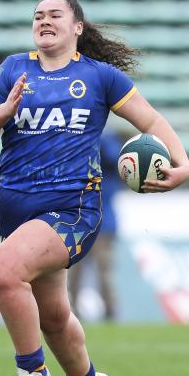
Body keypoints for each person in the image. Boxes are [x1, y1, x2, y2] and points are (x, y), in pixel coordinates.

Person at [0, 0, 189, 376]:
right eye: (37, 15)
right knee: (53, 318)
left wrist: (183, 164)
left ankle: (32, 373)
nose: (44, 21)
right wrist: (3, 114)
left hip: (74, 210)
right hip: (17, 210)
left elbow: (152, 121)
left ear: (78, 28)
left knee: (3, 273)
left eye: (55, 15)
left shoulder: (100, 77)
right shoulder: (12, 69)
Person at [68, 130, 122, 321]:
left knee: (103, 270)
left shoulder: (107, 145)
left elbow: (112, 155)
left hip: (103, 223)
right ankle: (71, 308)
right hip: (80, 222)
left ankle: (109, 308)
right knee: (76, 270)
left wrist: (94, 136)